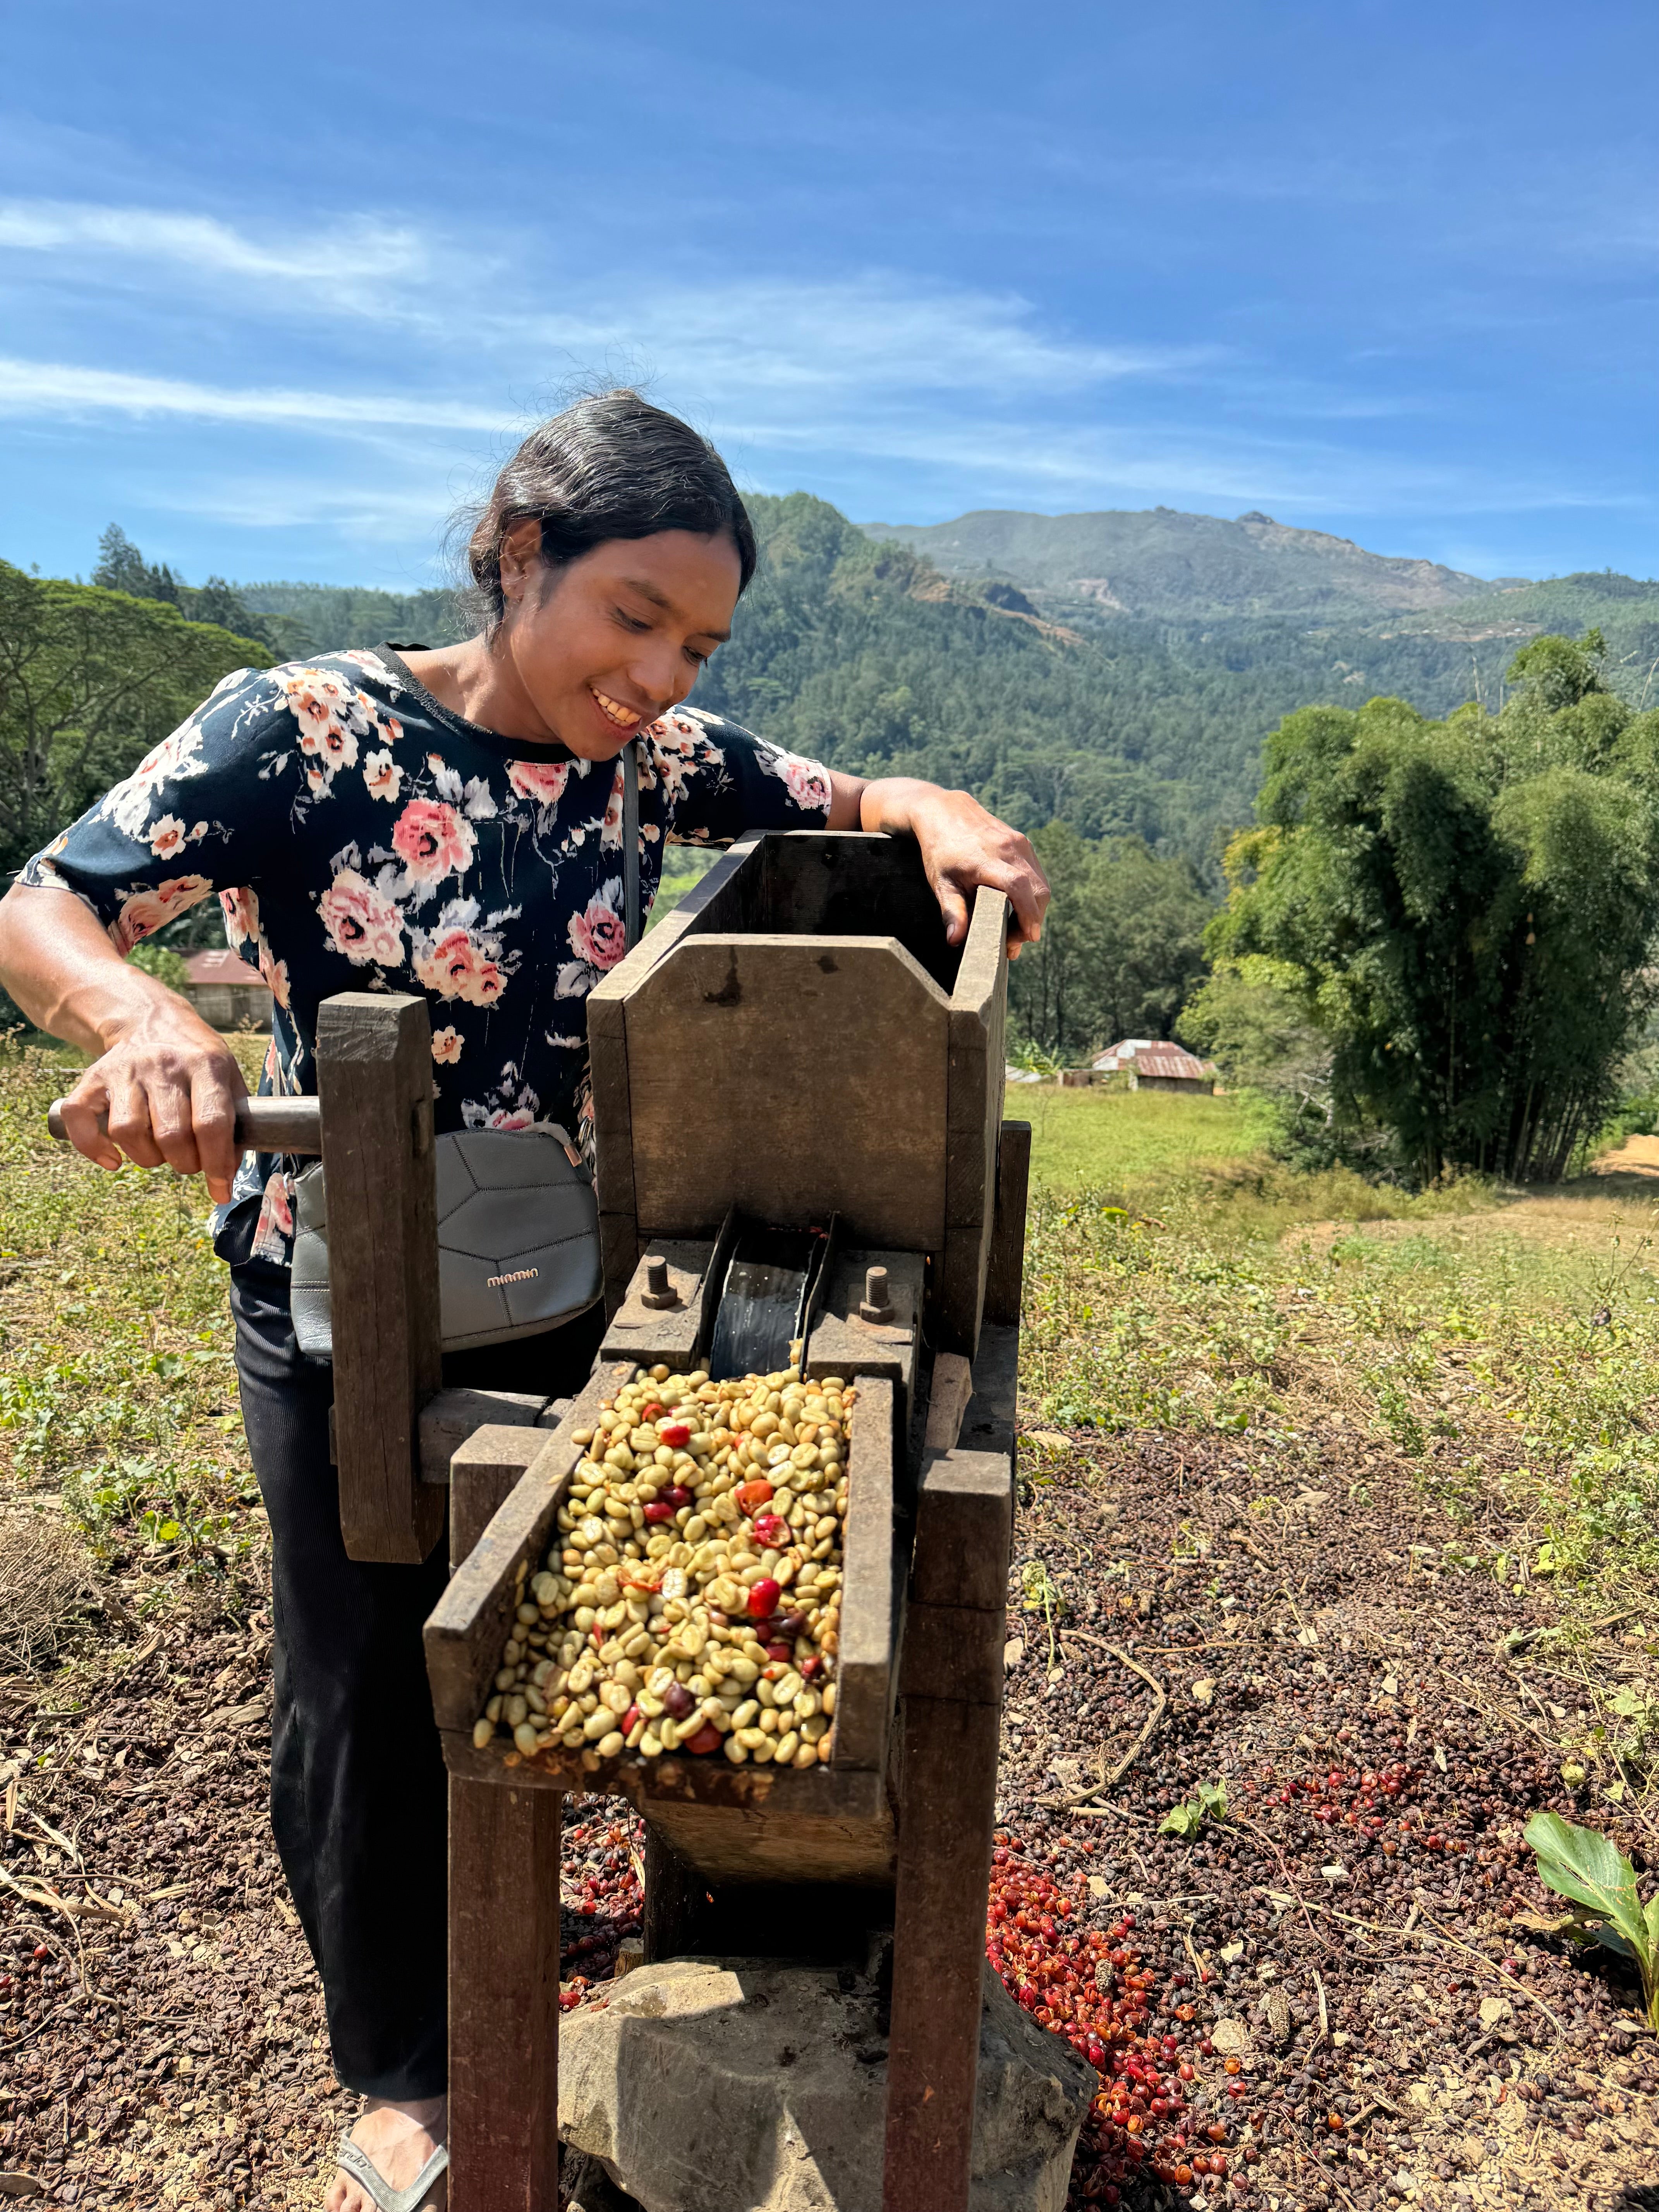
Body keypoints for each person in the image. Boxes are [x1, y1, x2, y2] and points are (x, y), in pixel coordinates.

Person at [0, 390, 1050, 2212]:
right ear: (516, 556)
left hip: (571, 1274)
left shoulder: (650, 757)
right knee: (362, 1682)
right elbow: (43, 904)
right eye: (633, 616)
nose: (657, 675)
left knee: (574, 1620)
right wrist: (140, 1015)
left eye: (697, 645)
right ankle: (404, 2075)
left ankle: (597, 1920)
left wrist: (935, 810)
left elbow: (843, 798)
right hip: (355, 1287)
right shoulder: (303, 731)